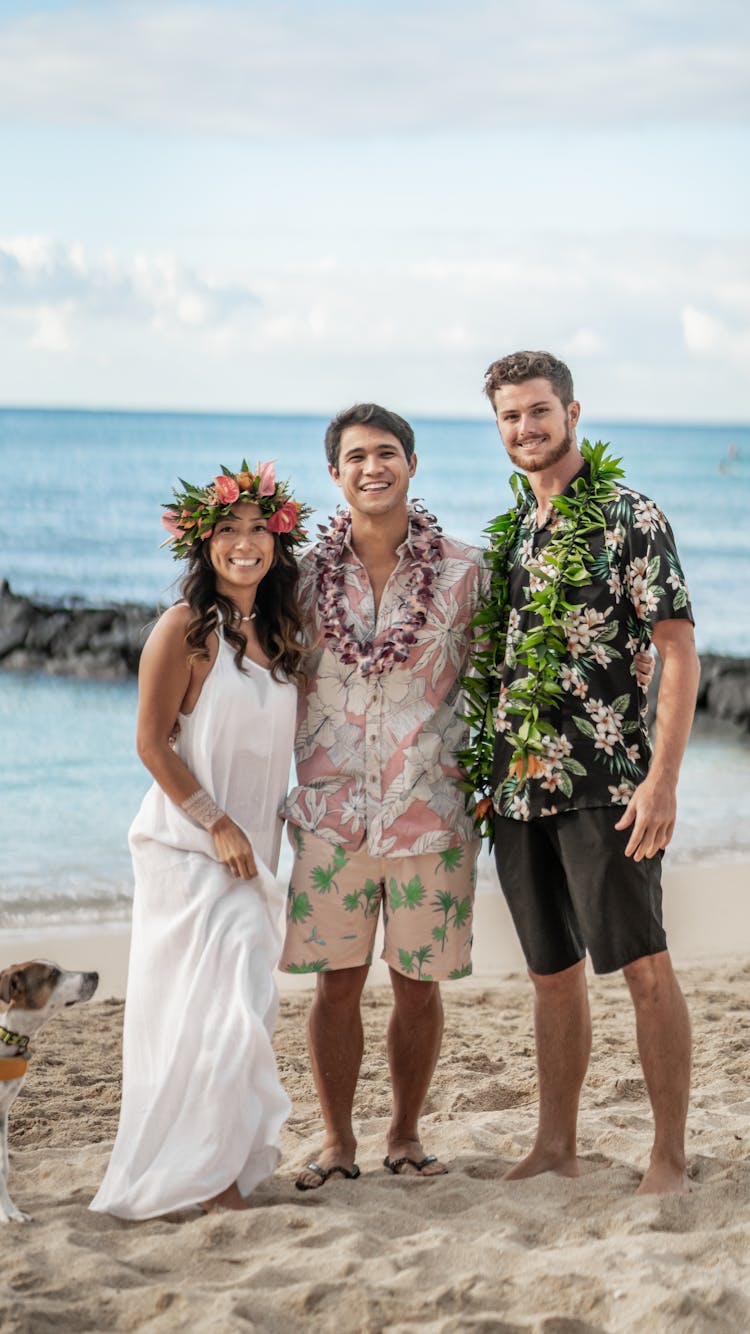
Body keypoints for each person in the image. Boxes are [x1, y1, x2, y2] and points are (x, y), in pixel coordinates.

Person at [474, 350, 700, 1195]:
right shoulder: (520, 528)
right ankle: (558, 1145)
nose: (526, 428)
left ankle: (669, 1156)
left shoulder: (628, 516)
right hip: (518, 787)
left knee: (644, 966)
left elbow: (677, 650)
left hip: (608, 784)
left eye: (539, 411)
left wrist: (663, 780)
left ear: (573, 411)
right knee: (551, 974)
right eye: (509, 416)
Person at [90, 461, 311, 1218]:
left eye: (259, 530)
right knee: (212, 1015)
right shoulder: (183, 629)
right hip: (189, 851)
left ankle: (217, 1166)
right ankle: (213, 1183)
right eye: (229, 530)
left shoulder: (279, 632)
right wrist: (216, 822)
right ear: (203, 543)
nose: (245, 544)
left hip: (255, 853)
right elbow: (152, 745)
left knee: (236, 1009)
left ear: (279, 543)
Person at [279, 403, 488, 1188]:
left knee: (417, 984)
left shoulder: (469, 571)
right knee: (335, 984)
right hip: (331, 815)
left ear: (411, 465)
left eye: (388, 453)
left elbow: (506, 675)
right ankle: (337, 1141)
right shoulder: (293, 579)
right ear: (335, 474)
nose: (374, 467)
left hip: (432, 808)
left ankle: (404, 1133)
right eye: (358, 456)